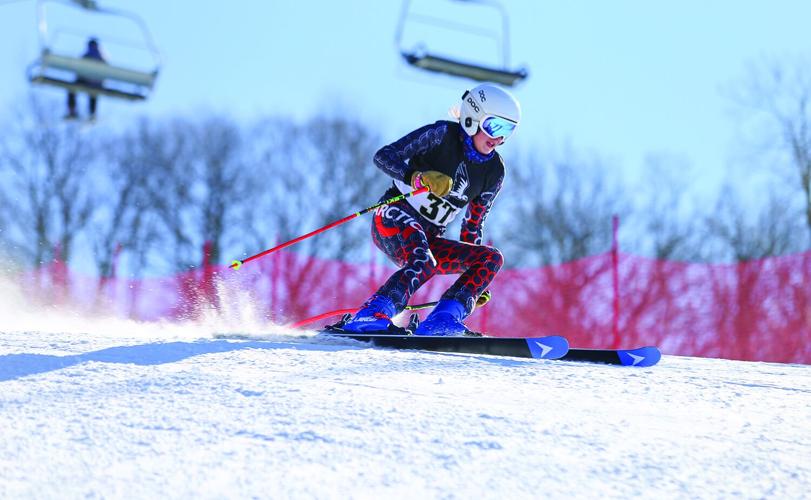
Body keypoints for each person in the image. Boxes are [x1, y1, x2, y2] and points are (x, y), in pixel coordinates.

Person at [341, 82, 521, 336]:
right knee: (424, 260)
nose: (499, 138)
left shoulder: (494, 172)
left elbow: (473, 224)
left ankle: (444, 319)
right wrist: (416, 178)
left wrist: (471, 283)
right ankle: (371, 314)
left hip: (428, 237)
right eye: (495, 126)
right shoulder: (442, 135)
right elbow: (384, 155)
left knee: (490, 258)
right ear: (473, 117)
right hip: (392, 218)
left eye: (508, 130)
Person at [66, 38, 106, 121]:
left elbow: (79, 70)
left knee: (73, 89)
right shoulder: (103, 57)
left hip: (89, 81)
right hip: (96, 83)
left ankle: (72, 111)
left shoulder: (87, 56)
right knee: (93, 93)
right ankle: (92, 114)